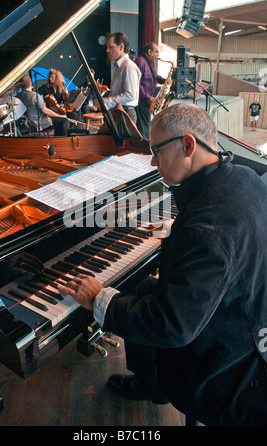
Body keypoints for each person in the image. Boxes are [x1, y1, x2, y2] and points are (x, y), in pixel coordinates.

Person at [57, 103, 267, 426]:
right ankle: (149, 383)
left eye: (156, 152)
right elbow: (222, 243)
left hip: (229, 368)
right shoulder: (244, 177)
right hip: (247, 311)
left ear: (188, 145)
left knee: (142, 305)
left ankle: (162, 385)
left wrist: (100, 299)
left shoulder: (206, 231)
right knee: (144, 287)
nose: (153, 162)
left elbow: (172, 324)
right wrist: (172, 229)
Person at [94, 32, 141, 124]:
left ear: (121, 47)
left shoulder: (128, 66)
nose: (107, 50)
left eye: (111, 47)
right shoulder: (120, 66)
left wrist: (106, 101)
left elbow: (130, 95)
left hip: (125, 113)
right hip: (119, 112)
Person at [134, 42, 166, 139]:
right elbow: (136, 84)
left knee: (146, 124)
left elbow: (154, 76)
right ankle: (144, 146)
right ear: (149, 52)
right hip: (141, 100)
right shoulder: (140, 62)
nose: (157, 55)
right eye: (156, 52)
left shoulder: (148, 63)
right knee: (143, 126)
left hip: (145, 100)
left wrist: (165, 81)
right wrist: (149, 98)